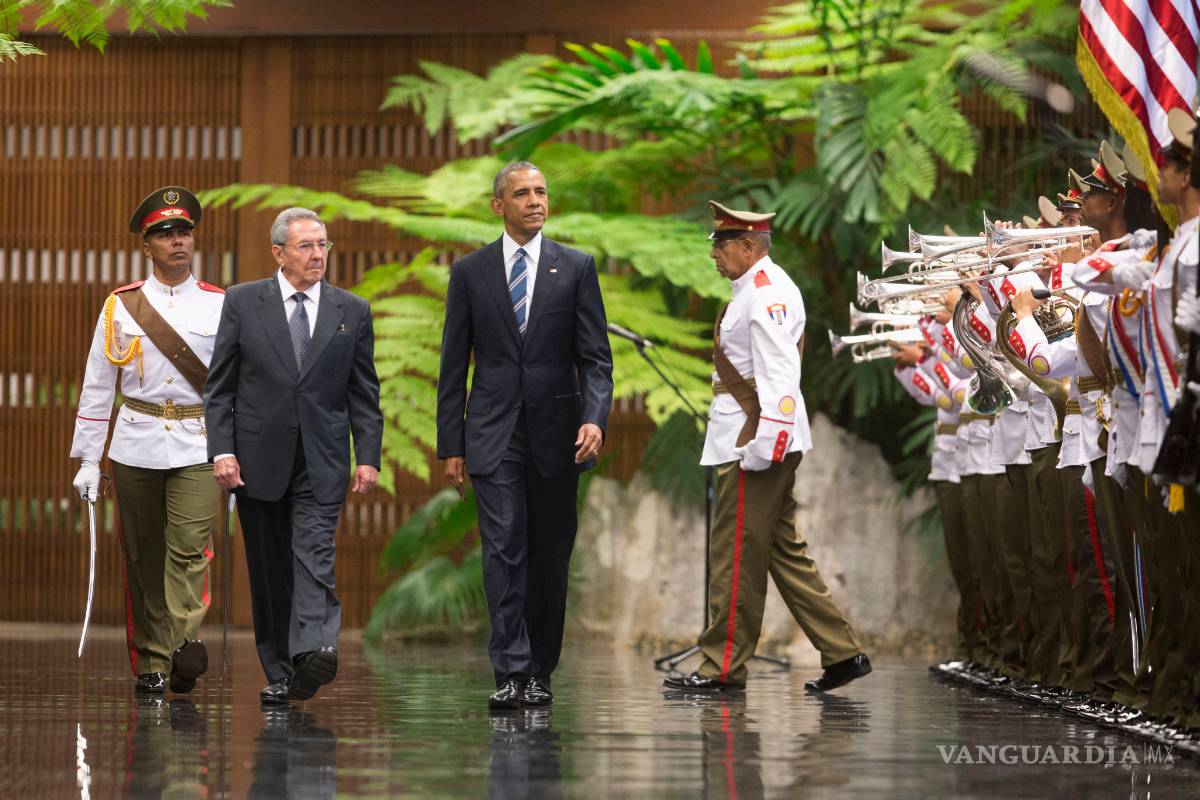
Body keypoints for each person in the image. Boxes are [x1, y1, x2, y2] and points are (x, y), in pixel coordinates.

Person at [663, 201, 871, 693]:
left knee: (735, 553)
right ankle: (842, 653)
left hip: (754, 440)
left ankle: (722, 665)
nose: (714, 255)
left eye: (721, 245)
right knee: (781, 549)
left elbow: (780, 374)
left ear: (748, 246)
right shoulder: (753, 291)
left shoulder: (767, 293)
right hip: (750, 435)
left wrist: (764, 445)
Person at [436, 161, 614, 709]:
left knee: (549, 557)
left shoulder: (577, 267)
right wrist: (452, 446)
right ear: (499, 206)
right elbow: (451, 366)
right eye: (522, 193)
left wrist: (594, 417)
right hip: (492, 433)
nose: (535, 200)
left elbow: (596, 359)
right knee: (503, 551)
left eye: (541, 191)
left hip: (559, 434)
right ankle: (510, 670)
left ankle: (540, 670)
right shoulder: (470, 273)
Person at [204, 207, 383, 704]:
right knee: (268, 568)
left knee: (314, 556)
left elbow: (363, 392)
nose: (318, 255)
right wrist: (222, 451)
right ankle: (281, 671)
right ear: (279, 252)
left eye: (323, 244)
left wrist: (367, 455)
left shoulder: (352, 310)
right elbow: (220, 387)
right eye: (306, 246)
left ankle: (313, 650)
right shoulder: (243, 301)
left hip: (322, 457)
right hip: (256, 457)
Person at [70, 186, 224, 695]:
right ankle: (152, 664)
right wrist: (89, 459)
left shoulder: (221, 304)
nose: (177, 241)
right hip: (135, 441)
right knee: (143, 556)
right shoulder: (121, 305)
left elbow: (233, 384)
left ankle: (183, 644)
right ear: (147, 245)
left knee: (190, 550)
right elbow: (98, 384)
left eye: (184, 232)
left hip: (198, 441)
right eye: (165, 233)